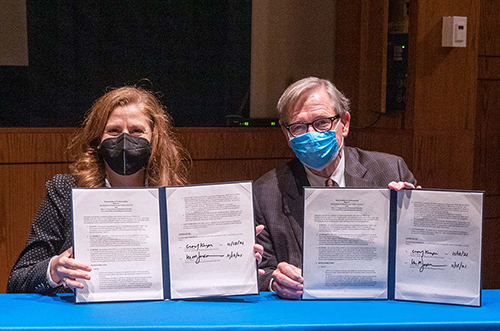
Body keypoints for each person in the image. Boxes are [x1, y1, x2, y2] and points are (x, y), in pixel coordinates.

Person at [7, 86, 264, 294]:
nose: (125, 139)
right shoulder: (65, 191)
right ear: (97, 140)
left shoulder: (176, 198)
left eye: (137, 131)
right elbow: (18, 278)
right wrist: (54, 270)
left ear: (154, 139)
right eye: (114, 131)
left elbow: (193, 278)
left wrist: (232, 257)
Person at [254, 77, 417, 300]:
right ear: (286, 134)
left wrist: (410, 215)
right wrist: (276, 281)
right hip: (305, 315)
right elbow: (261, 270)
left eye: (322, 122)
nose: (311, 134)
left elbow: (419, 256)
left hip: (377, 308)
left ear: (345, 123)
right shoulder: (266, 192)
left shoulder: (389, 172)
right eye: (299, 127)